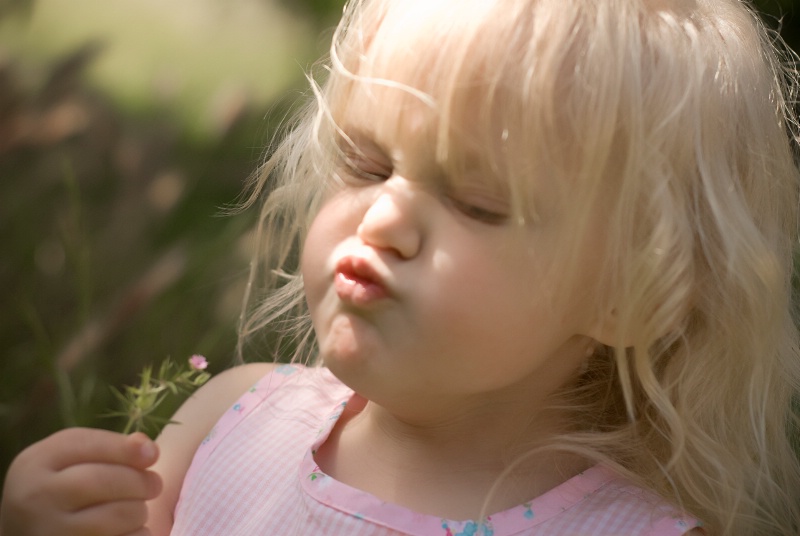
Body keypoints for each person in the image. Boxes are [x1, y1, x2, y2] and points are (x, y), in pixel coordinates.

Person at [3, 0, 800, 534]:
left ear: (631, 293)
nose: (384, 220)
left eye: (480, 203)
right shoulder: (232, 424)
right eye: (366, 163)